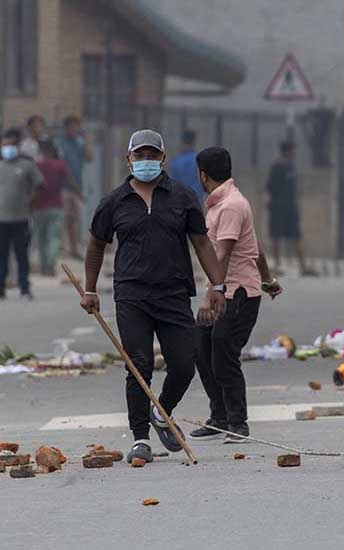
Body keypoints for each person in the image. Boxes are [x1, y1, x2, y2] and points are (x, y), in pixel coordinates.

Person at [80, 129, 226, 465]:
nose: (146, 161)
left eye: (152, 155)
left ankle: (162, 413)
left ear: (163, 158)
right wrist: (89, 290)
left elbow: (202, 243)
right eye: (139, 155)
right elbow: (95, 246)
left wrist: (217, 286)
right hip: (131, 294)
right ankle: (141, 437)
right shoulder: (114, 202)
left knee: (184, 363)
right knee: (138, 365)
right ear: (128, 159)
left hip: (174, 292)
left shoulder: (182, 196)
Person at [188, 146, 282, 443]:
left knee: (223, 352)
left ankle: (238, 422)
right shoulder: (221, 204)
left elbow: (223, 253)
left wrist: (210, 294)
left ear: (203, 174)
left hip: (236, 294)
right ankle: (219, 417)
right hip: (226, 290)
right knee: (201, 348)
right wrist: (268, 280)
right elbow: (256, 248)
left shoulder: (231, 206)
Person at [0, 128, 43, 300]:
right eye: (4, 145)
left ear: (17, 146)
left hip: (21, 218)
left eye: (11, 145)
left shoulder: (26, 165)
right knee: (1, 255)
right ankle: (1, 287)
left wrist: (31, 202)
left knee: (21, 255)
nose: (7, 148)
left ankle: (24, 287)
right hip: (1, 220)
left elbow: (39, 185)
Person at [266, 140, 315, 275]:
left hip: (291, 208)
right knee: (276, 236)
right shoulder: (277, 166)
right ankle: (276, 265)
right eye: (293, 150)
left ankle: (303, 266)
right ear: (287, 151)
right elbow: (270, 187)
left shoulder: (291, 167)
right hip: (278, 207)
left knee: (296, 236)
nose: (295, 153)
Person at [33, 140, 80, 276]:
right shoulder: (60, 165)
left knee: (41, 239)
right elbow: (70, 182)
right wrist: (79, 194)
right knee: (53, 237)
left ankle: (43, 267)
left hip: (38, 207)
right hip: (56, 206)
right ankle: (50, 265)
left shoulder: (37, 165)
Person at [56, 115, 92, 259]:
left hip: (77, 186)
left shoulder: (80, 142)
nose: (74, 130)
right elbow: (61, 166)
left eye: (76, 127)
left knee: (75, 219)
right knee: (62, 218)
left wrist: (87, 140)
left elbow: (90, 157)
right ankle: (61, 249)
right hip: (62, 187)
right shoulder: (59, 143)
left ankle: (74, 249)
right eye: (71, 127)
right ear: (66, 128)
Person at [168, 129, 205, 207]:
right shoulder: (200, 161)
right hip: (197, 201)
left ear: (182, 143)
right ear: (194, 142)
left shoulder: (176, 162)